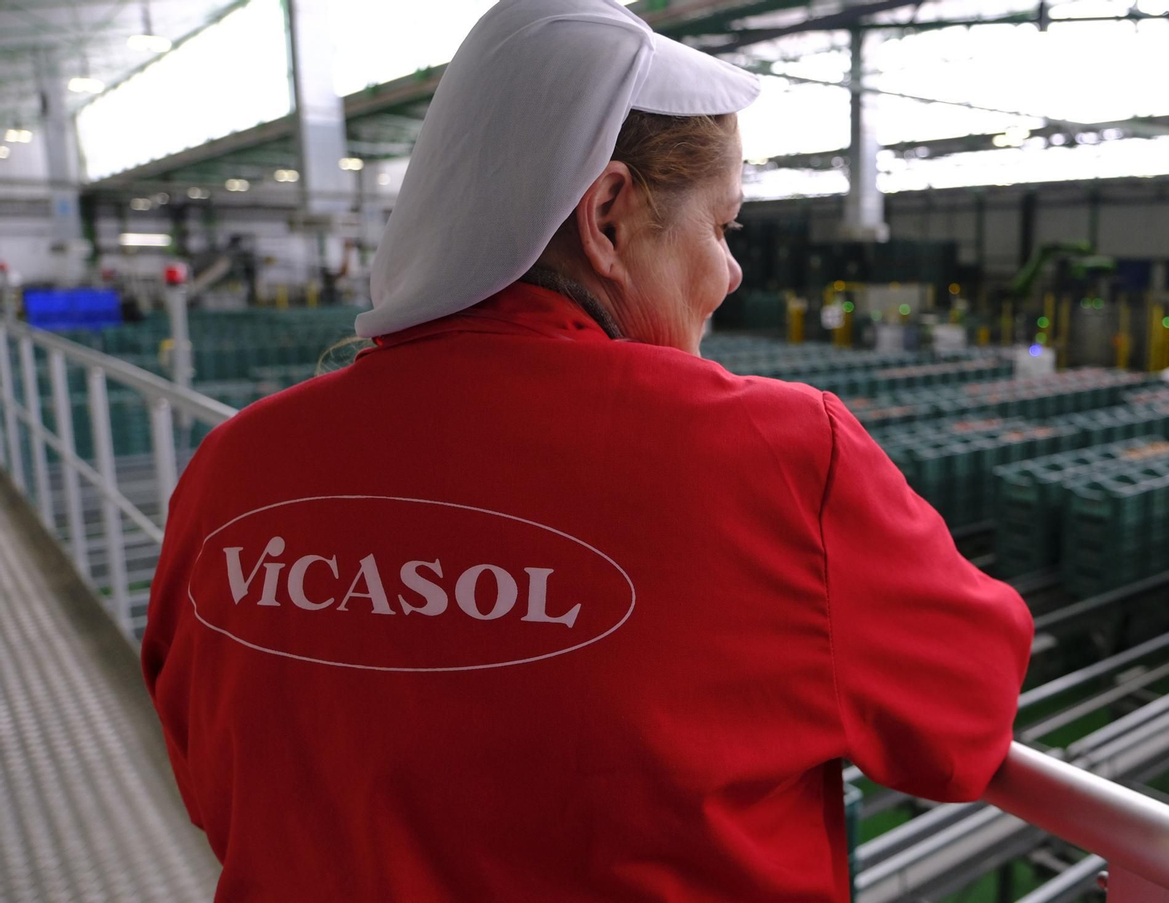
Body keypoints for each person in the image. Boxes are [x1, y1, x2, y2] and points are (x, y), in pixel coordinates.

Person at [141, 2, 1032, 900]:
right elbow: (964, 718)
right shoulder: (779, 457)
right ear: (607, 215)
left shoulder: (232, 470)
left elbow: (211, 782)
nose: (730, 275)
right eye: (721, 229)